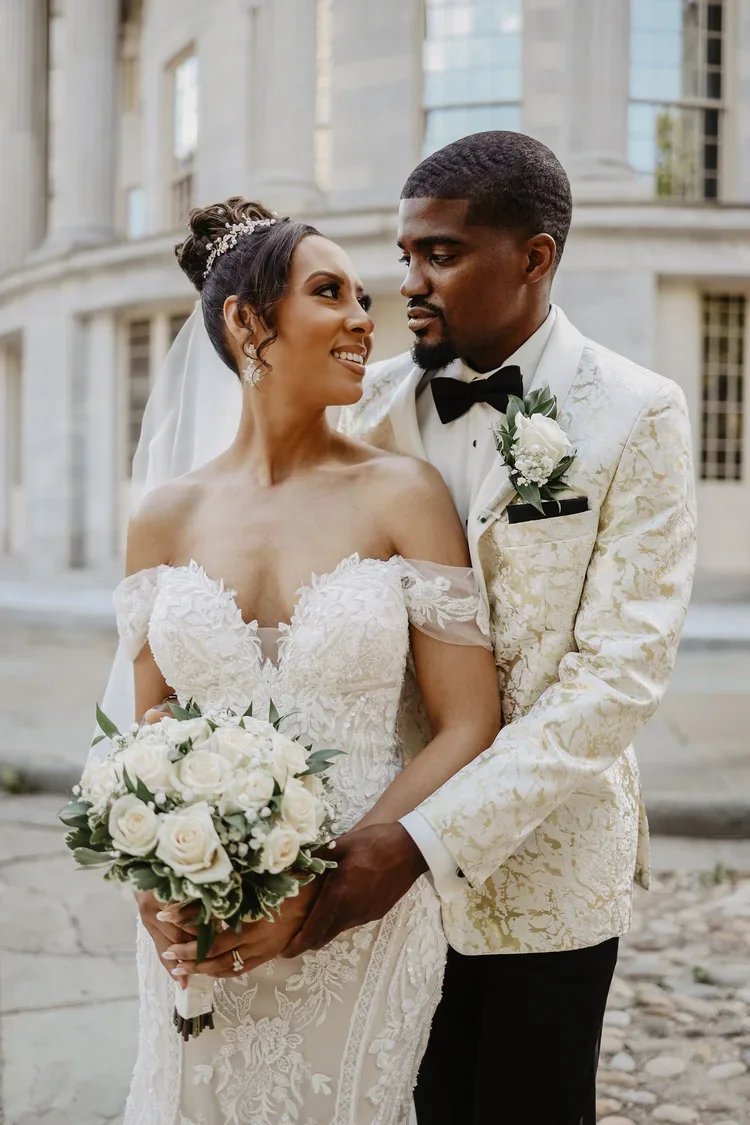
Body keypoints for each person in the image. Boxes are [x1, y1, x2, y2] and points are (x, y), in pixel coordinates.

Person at [283, 131, 698, 1124]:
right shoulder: (364, 407)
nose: (411, 284)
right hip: (368, 864)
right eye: (405, 256)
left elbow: (619, 680)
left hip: (546, 872)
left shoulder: (637, 412)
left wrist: (420, 841)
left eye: (442, 254)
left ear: (536, 257)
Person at [113, 197, 501, 1124]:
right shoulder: (164, 517)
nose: (366, 318)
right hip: (197, 913)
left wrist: (345, 870)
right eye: (330, 293)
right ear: (249, 322)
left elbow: (468, 720)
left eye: (364, 296)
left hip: (362, 912)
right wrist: (155, 883)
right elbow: (148, 731)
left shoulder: (403, 492)